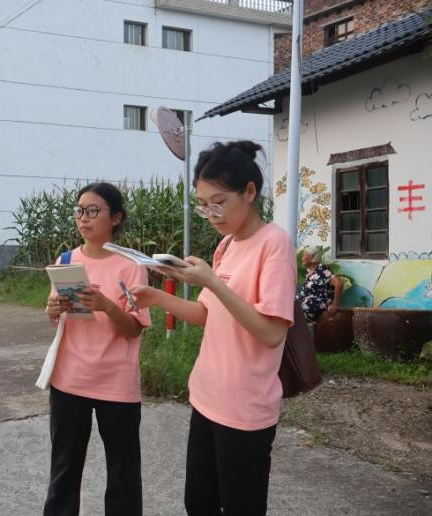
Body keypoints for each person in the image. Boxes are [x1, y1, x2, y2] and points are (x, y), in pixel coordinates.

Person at [130, 141, 296, 516]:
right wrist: (156, 297)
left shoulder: (275, 245)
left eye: (218, 202)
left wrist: (213, 282)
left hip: (245, 407)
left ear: (249, 192)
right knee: (199, 503)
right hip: (207, 397)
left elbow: (272, 333)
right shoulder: (226, 246)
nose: (210, 213)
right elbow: (208, 314)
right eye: (203, 205)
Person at [43, 182, 151, 516]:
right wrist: (53, 309)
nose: (83, 218)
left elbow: (134, 329)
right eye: (79, 211)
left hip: (116, 383)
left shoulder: (131, 266)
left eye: (93, 211)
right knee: (64, 470)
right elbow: (56, 317)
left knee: (123, 473)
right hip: (69, 380)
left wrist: (106, 305)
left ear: (116, 217)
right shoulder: (66, 261)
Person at [297, 245, 343, 322]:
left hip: (314, 304)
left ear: (312, 259)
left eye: (304, 256)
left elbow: (339, 283)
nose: (302, 258)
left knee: (297, 312)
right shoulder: (309, 272)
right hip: (303, 301)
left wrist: (335, 304)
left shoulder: (322, 270)